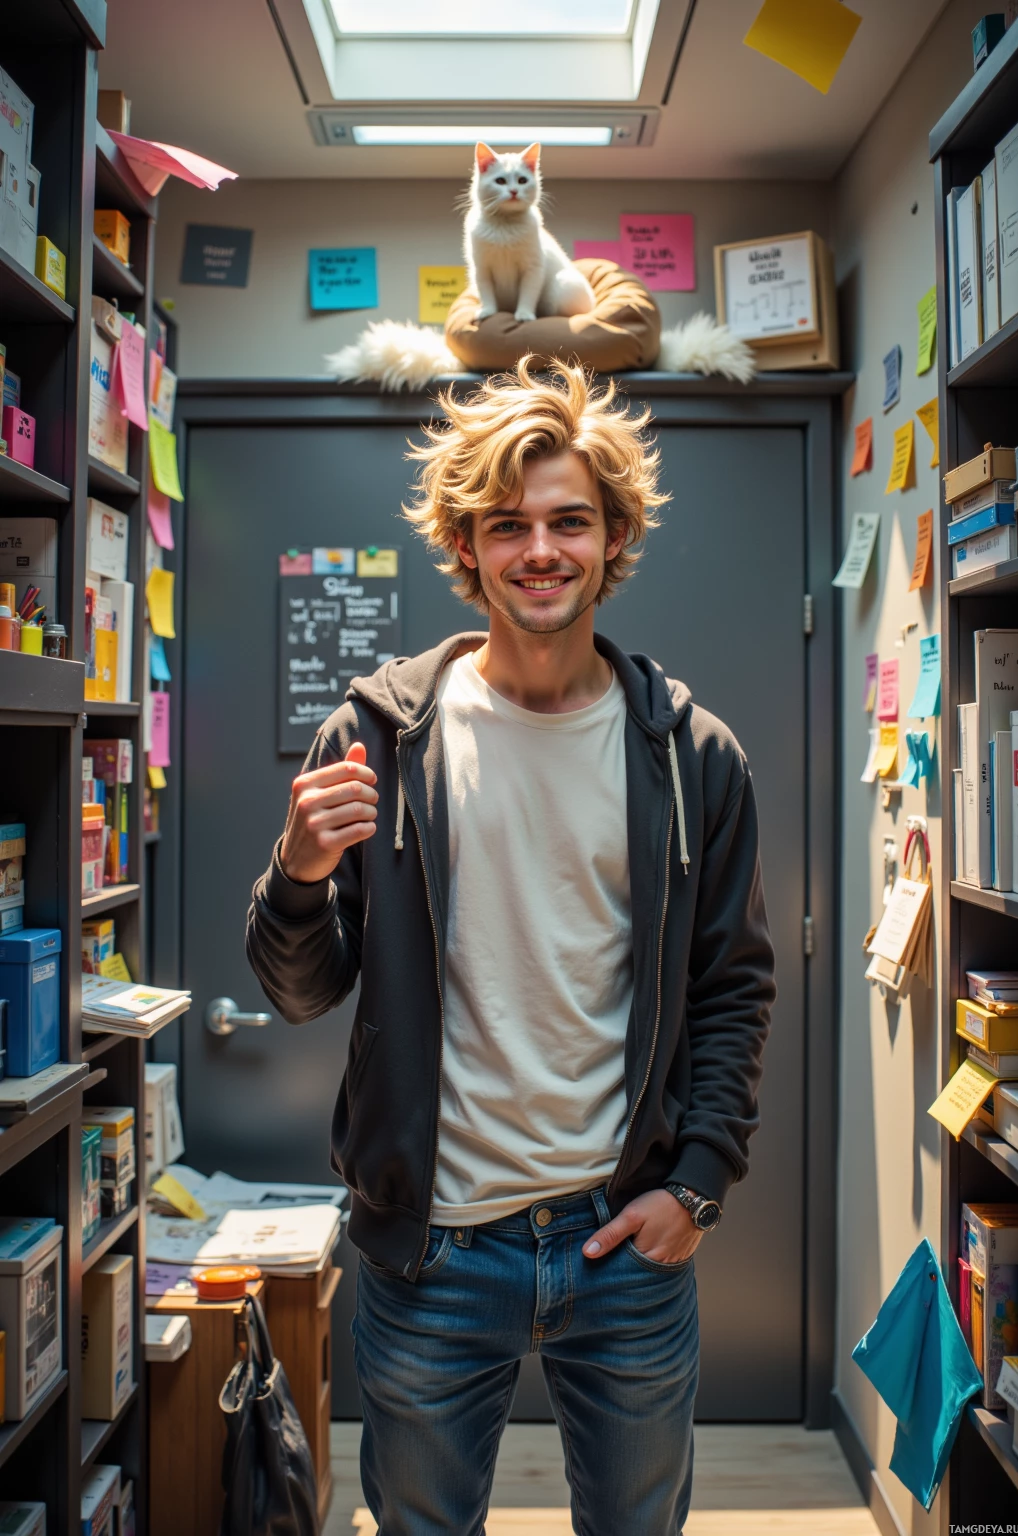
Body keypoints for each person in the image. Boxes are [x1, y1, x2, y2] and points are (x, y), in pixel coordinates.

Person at [246, 360, 775, 1536]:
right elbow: (300, 991)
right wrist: (298, 871)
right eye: (507, 525)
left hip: (624, 1244)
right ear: (466, 544)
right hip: (431, 1253)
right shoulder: (377, 737)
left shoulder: (693, 757)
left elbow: (732, 987)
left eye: (569, 521)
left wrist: (696, 1184)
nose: (541, 550)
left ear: (613, 537)